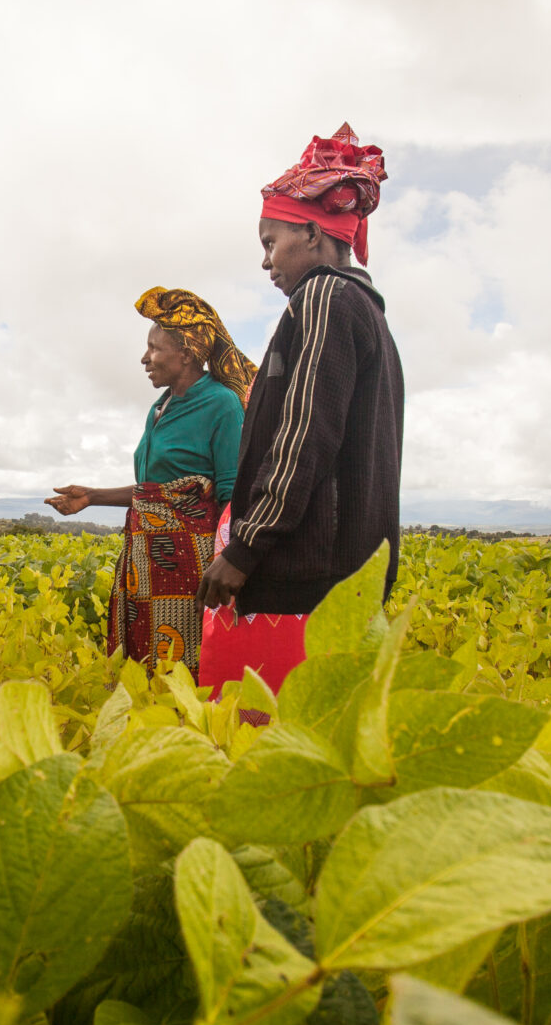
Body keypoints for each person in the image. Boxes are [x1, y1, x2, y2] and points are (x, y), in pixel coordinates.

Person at [195, 123, 403, 695]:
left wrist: (246, 545)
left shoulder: (325, 297)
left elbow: (305, 432)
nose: (266, 262)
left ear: (312, 234)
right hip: (348, 568)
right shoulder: (366, 312)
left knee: (284, 726)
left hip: (315, 569)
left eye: (270, 242)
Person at [47, 288, 253, 676]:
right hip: (144, 563)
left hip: (192, 569)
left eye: (154, 348)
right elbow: (153, 492)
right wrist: (91, 496)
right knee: (143, 667)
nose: (145, 358)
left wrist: (230, 564)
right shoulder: (159, 407)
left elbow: (232, 494)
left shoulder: (221, 403)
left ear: (187, 354)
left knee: (184, 670)